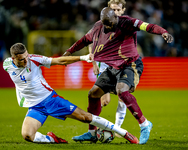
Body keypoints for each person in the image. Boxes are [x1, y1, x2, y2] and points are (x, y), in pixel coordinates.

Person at [63, 7, 173, 144]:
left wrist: (163, 32)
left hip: (130, 64)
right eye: (105, 23)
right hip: (112, 67)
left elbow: (147, 26)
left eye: (110, 22)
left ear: (115, 17)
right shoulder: (98, 27)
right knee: (93, 93)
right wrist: (69, 52)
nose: (108, 26)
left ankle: (144, 124)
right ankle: (92, 132)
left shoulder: (127, 22)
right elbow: (85, 40)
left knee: (122, 91)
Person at [3, 43, 139, 144]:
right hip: (35, 106)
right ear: (13, 58)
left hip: (51, 100)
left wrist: (83, 57)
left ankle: (124, 133)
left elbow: (59, 60)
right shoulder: (7, 65)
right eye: (22, 59)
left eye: (27, 56)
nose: (26, 61)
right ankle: (52, 139)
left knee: (85, 117)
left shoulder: (34, 60)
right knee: (27, 135)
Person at [88, 0, 127, 131]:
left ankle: (117, 128)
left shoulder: (128, 25)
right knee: (105, 101)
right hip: (105, 65)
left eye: (117, 10)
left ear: (123, 10)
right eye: (112, 10)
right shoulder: (101, 25)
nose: (115, 12)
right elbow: (90, 42)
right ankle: (94, 128)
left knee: (123, 94)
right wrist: (94, 63)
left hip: (121, 66)